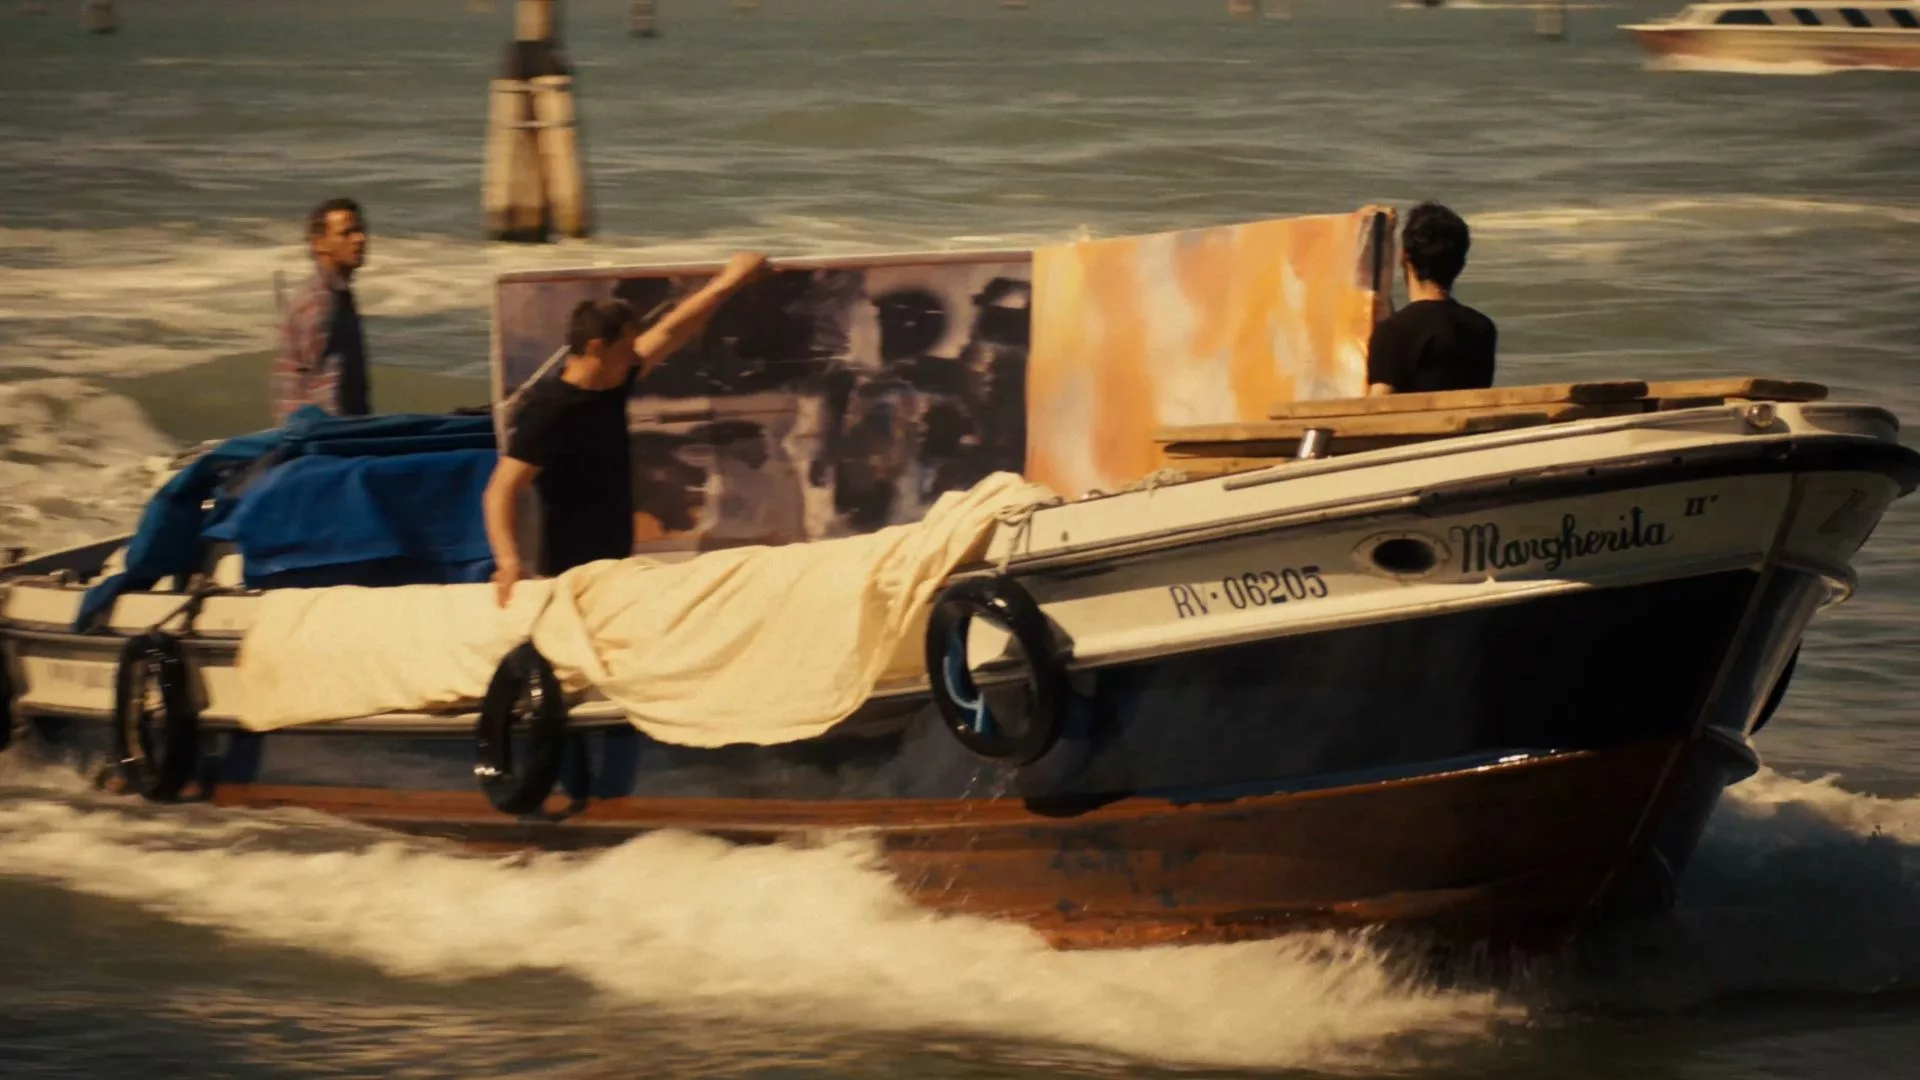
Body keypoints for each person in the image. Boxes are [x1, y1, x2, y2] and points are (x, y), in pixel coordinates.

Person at [483, 252, 770, 605]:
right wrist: (509, 562)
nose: (636, 357)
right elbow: (502, 489)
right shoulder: (549, 409)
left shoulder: (612, 384)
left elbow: (672, 329)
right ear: (597, 348)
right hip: (569, 572)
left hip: (614, 562)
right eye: (627, 348)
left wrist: (731, 279)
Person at [1366, 202, 1497, 396]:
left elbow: (1377, 408)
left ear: (1404, 257)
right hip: (1469, 425)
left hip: (1413, 426)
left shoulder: (1394, 331)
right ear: (1460, 262)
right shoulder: (1482, 329)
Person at [272, 197, 373, 424]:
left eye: (360, 231)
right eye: (347, 233)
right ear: (319, 243)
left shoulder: (337, 294)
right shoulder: (320, 304)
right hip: (318, 440)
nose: (360, 239)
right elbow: (325, 389)